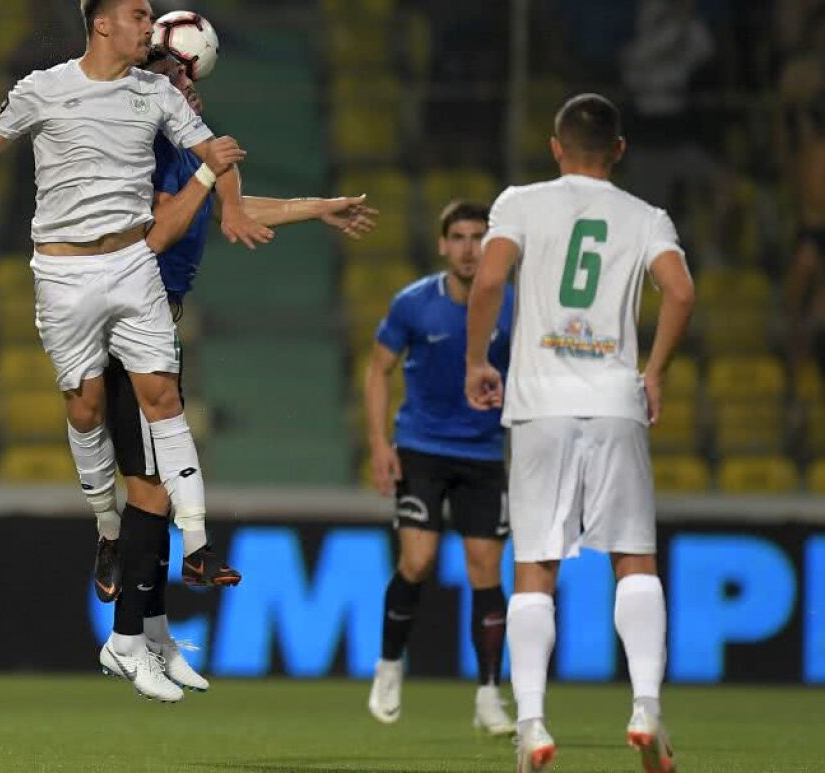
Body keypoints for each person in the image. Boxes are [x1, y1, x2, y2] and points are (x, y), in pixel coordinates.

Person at [0, 0, 273, 704]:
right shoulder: (44, 89)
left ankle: (175, 579)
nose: (149, 24)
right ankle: (116, 551)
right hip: (63, 273)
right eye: (139, 14)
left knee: (161, 418)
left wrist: (228, 190)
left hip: (133, 269)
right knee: (85, 411)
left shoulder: (155, 93)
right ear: (103, 23)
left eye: (153, 16)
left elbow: (212, 149)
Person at [95, 49, 379, 695]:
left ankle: (155, 634)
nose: (188, 87)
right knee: (148, 491)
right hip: (129, 324)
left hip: (156, 326)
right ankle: (125, 637)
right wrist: (206, 169)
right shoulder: (140, 153)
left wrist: (315, 207)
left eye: (190, 77)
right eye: (174, 79)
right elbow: (159, 235)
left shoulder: (174, 154)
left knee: (159, 489)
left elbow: (237, 210)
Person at [465, 93, 694, 772]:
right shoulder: (645, 216)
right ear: (618, 150)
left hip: (541, 404)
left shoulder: (520, 203)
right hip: (616, 400)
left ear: (556, 146)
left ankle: (532, 722)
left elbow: (490, 278)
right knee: (634, 559)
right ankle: (646, 705)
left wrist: (480, 358)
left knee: (536, 564)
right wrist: (654, 371)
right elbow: (679, 292)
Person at [364, 201, 514, 736]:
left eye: (479, 237)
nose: (470, 247)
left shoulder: (512, 306)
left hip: (483, 452)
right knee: (419, 559)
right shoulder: (414, 304)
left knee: (485, 570)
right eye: (460, 236)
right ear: (443, 244)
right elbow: (378, 370)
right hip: (422, 447)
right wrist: (381, 444)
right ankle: (388, 666)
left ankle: (490, 696)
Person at [779, 8, 825, 374]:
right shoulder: (808, 145)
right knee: (796, 307)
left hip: (817, 228)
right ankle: (796, 378)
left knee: (816, 310)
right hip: (811, 227)